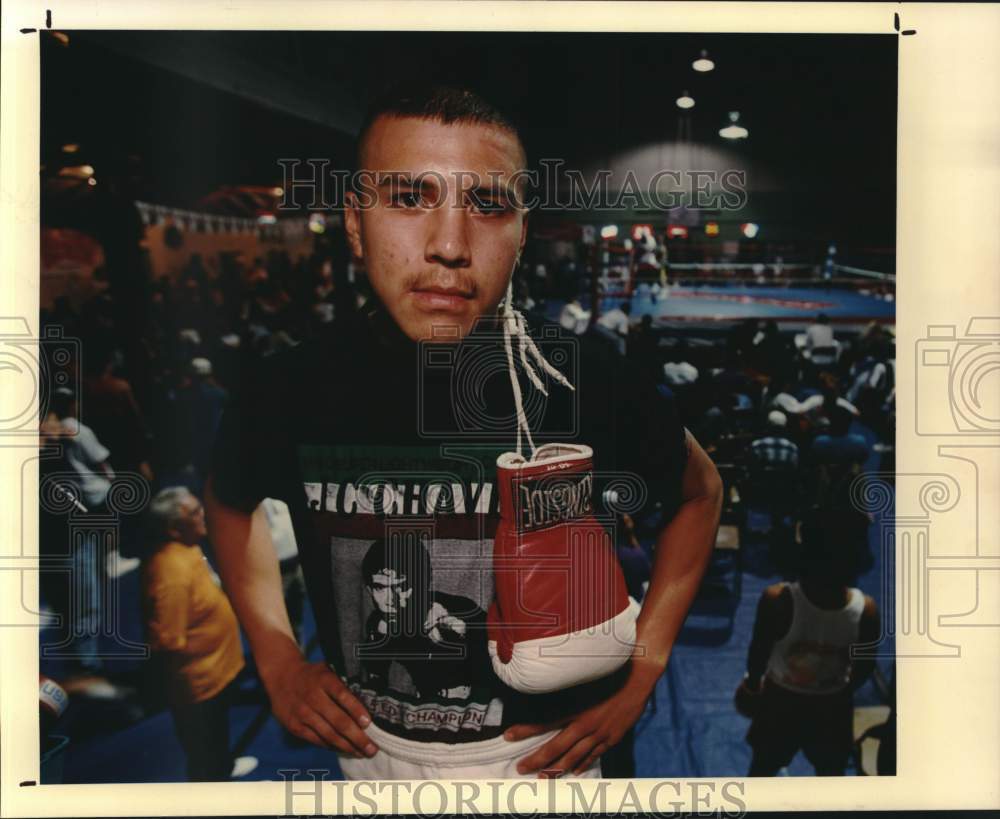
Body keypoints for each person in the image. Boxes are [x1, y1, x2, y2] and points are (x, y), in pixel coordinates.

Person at [206, 83, 722, 780]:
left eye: (487, 205)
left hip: (548, 756)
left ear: (522, 230)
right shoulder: (289, 386)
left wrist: (647, 662)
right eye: (410, 198)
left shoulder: (584, 377)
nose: (449, 245)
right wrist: (275, 656)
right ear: (355, 222)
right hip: (372, 753)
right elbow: (227, 497)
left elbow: (700, 494)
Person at [735, 507, 880, 775]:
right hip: (831, 707)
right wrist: (834, 689)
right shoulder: (866, 610)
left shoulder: (778, 600)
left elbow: (758, 652)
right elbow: (864, 667)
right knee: (830, 774)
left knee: (762, 770)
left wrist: (753, 686)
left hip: (781, 702)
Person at [141, 487, 257, 781]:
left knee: (217, 738)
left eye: (199, 506)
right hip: (199, 686)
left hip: (218, 672)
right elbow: (167, 642)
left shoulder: (190, 547)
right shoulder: (171, 575)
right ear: (173, 529)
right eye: (193, 513)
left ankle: (224, 767)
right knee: (203, 750)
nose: (202, 514)